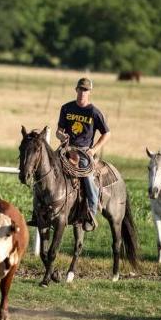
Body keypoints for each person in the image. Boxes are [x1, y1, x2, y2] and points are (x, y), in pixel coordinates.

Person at [56, 77, 110, 231]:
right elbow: (59, 131)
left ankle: (91, 213)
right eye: (80, 89)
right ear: (76, 90)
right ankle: (43, 207)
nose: (82, 92)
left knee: (87, 178)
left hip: (84, 152)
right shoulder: (66, 108)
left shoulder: (94, 112)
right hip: (66, 149)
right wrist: (61, 136)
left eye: (85, 90)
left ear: (89, 92)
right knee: (48, 170)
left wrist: (93, 150)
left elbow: (107, 133)